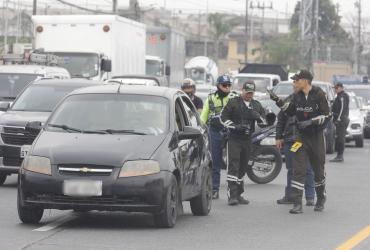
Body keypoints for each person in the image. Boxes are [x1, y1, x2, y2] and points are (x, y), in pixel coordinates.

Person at [269, 70, 330, 214]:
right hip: (300, 138)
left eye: (297, 80)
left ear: (306, 81)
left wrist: (310, 122)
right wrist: (277, 100)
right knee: (298, 170)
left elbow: (327, 115)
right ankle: (297, 203)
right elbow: (289, 111)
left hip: (316, 138)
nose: (295, 82)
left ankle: (320, 199)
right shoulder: (297, 96)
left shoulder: (319, 94)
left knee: (318, 171)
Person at [220, 80, 265, 206]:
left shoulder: (256, 105)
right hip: (234, 138)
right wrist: (235, 126)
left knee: (243, 167)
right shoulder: (233, 102)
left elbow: (265, 120)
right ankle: (232, 196)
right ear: (242, 90)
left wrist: (258, 117)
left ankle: (239, 194)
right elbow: (223, 117)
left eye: (251, 92)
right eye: (247, 92)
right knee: (233, 166)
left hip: (247, 139)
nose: (249, 95)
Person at [275, 80, 315, 206]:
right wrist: (278, 137)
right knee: (291, 169)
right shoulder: (288, 100)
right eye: (293, 85)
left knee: (307, 169)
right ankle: (290, 196)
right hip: (289, 140)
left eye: (296, 85)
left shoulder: (311, 100)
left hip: (305, 140)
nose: (294, 87)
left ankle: (310, 197)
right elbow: (281, 120)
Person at [200, 74, 235, 199]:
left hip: (231, 133)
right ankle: (214, 189)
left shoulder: (234, 98)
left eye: (229, 85)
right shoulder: (210, 99)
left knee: (233, 163)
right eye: (224, 85)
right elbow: (203, 119)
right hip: (215, 132)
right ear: (218, 86)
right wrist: (200, 131)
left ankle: (234, 192)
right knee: (215, 163)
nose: (227, 88)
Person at [330, 82, 349, 162]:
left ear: (341, 88)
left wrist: (338, 119)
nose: (335, 90)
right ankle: (339, 155)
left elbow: (342, 108)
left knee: (340, 138)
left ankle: (340, 156)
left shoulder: (342, 96)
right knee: (338, 138)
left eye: (337, 88)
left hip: (341, 120)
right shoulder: (338, 96)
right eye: (335, 88)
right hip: (339, 120)